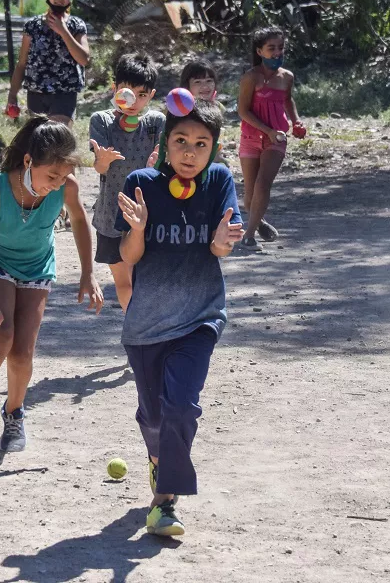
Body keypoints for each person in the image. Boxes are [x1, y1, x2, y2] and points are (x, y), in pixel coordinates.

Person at [115, 98, 243, 536]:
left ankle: (164, 502)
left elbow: (218, 247)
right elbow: (129, 258)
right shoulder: (141, 183)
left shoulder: (219, 181)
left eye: (201, 144)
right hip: (146, 324)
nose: (190, 152)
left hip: (200, 316)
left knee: (182, 407)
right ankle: (159, 462)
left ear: (215, 148)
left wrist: (223, 241)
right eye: (181, 141)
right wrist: (137, 229)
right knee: (152, 417)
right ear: (166, 143)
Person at [0, 116, 104, 470]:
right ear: (29, 161)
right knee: (0, 337)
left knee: (22, 352)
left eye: (63, 177)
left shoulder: (66, 188)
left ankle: (14, 412)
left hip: (37, 268)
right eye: (52, 176)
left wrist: (87, 273)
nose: (57, 184)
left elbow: (79, 222)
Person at [89, 53, 164, 312]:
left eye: (142, 94)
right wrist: (104, 160)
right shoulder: (102, 121)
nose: (133, 101)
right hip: (112, 213)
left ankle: (150, 329)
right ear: (115, 88)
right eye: (127, 92)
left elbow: (165, 167)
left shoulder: (156, 122)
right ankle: (135, 329)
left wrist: (158, 164)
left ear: (151, 95)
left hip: (149, 213)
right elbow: (99, 168)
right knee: (124, 280)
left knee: (146, 278)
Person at [237, 26, 306, 251]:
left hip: (276, 137)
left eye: (281, 47)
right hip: (251, 136)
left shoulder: (287, 77)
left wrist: (296, 122)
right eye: (271, 48)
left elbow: (288, 100)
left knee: (263, 184)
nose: (277, 52)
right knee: (250, 192)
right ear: (259, 51)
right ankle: (259, 222)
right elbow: (243, 111)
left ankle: (248, 236)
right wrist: (265, 130)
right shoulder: (251, 78)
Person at [7, 0, 90, 126]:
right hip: (36, 93)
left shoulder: (76, 25)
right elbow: (22, 63)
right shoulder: (32, 26)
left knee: (58, 139)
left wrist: (63, 31)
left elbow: (83, 59)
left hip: (65, 93)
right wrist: (12, 95)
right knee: (40, 142)